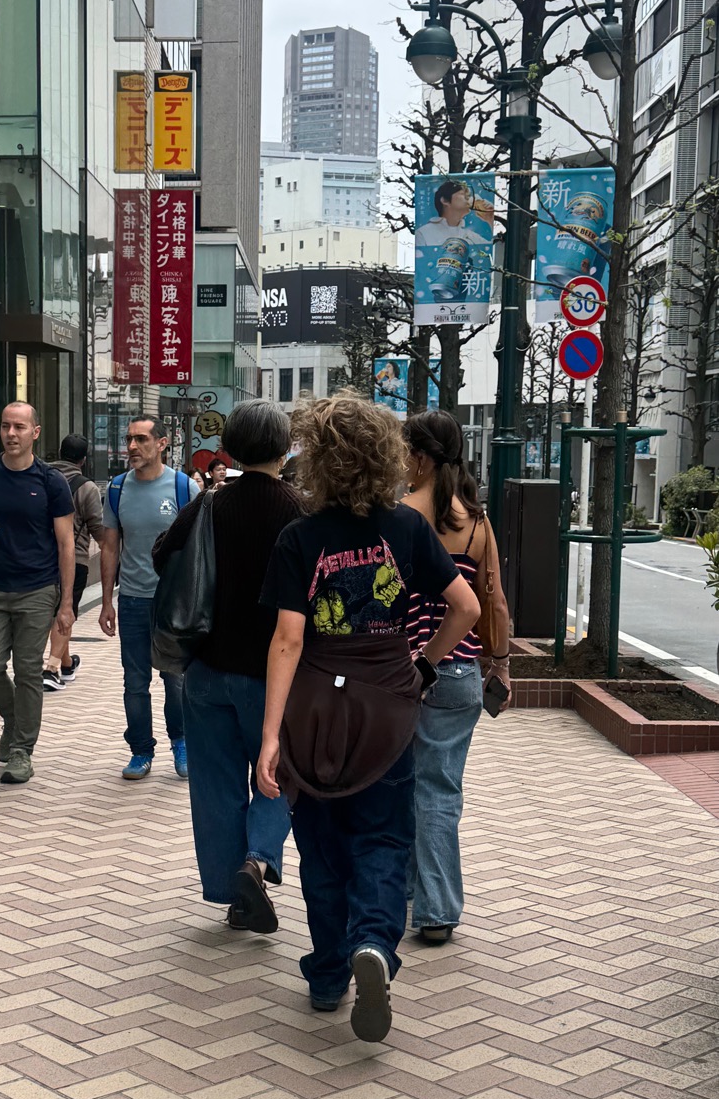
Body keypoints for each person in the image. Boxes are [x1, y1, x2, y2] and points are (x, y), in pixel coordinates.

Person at [257, 392, 479, 1043]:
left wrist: (271, 735)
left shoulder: (299, 538)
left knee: (322, 849)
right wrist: (426, 666)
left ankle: (328, 974)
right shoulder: (407, 528)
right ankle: (376, 943)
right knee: (383, 837)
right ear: (384, 455)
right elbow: (464, 607)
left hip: (318, 708)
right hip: (388, 701)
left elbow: (288, 641)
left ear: (318, 461)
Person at [153, 401, 301, 931]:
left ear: (231, 450)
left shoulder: (210, 504)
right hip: (274, 676)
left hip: (208, 669)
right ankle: (257, 861)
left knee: (215, 784)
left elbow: (162, 556)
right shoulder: (298, 512)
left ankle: (232, 895)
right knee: (276, 772)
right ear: (286, 449)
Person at [402, 411, 511, 945]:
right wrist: (501, 663)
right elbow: (491, 602)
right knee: (440, 791)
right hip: (461, 672)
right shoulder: (479, 523)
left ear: (420, 458)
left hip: (403, 670)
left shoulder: (399, 517)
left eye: (406, 453)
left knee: (401, 784)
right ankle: (436, 907)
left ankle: (416, 896)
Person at [0, 402, 76, 785]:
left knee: (29, 672)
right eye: (6, 426)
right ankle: (13, 718)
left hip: (37, 589)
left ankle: (22, 751)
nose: (11, 434)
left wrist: (66, 604)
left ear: (35, 433)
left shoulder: (50, 482)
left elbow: (66, 544)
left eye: (19, 427)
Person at [99, 418, 199, 780]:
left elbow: (197, 547)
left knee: (175, 679)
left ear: (162, 443)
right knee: (135, 682)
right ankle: (141, 750)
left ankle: (182, 742)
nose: (131, 446)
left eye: (140, 439)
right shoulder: (116, 489)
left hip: (173, 603)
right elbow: (109, 547)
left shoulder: (182, 487)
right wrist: (107, 601)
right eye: (128, 439)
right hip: (133, 602)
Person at [44, 433, 104, 692]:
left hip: (41, 558)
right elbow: (98, 528)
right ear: (83, 458)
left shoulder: (42, 477)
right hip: (75, 559)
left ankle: (66, 663)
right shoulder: (86, 487)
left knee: (51, 613)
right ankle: (52, 668)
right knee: (65, 614)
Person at [415, 179, 495, 248]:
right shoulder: (423, 234)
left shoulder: (470, 236)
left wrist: (490, 218)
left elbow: (492, 252)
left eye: (468, 196)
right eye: (463, 194)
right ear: (445, 201)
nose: (468, 198)